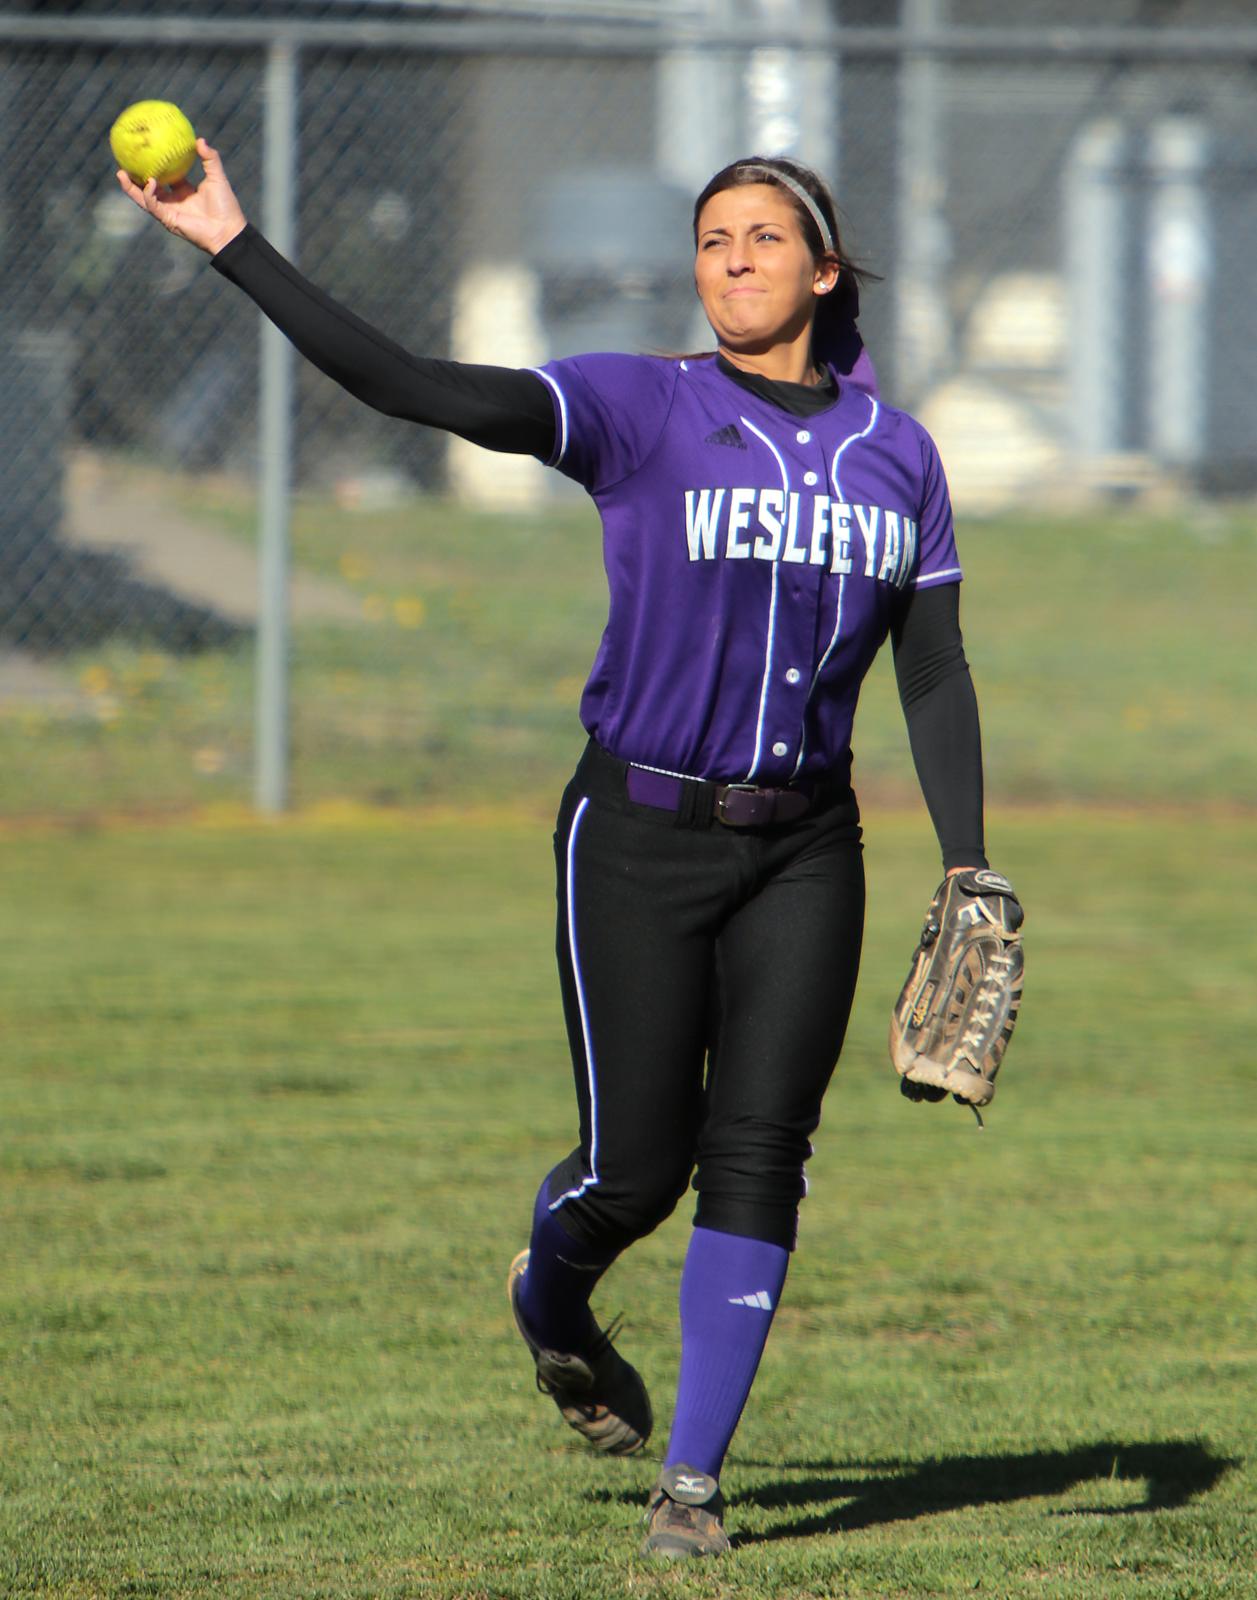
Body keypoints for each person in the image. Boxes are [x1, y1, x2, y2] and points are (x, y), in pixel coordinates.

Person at [119, 141, 993, 1561]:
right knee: (633, 1174)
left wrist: (963, 862)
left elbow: (935, 670)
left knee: (762, 1150)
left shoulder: (895, 456)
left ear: (823, 270)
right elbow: (414, 386)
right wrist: (229, 240)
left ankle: (692, 1489)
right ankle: (552, 1299)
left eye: (763, 239)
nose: (730, 262)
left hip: (806, 846)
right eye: (711, 240)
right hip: (635, 835)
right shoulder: (638, 405)